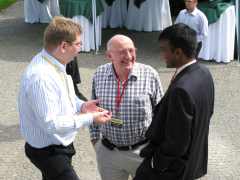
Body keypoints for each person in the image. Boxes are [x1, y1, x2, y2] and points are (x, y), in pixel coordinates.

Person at [18, 16, 112, 180]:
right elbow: (51, 124)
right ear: (63, 46)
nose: (80, 48)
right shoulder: (42, 77)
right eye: (77, 44)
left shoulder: (54, 61)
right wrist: (90, 118)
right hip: (48, 151)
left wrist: (81, 106)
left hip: (58, 145)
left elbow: (63, 97)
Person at [134, 23, 215, 180]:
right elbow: (207, 114)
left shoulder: (181, 90)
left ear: (178, 52)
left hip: (172, 170)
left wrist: (155, 164)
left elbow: (177, 142)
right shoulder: (204, 72)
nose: (162, 55)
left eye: (164, 50)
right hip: (193, 163)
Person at [90, 34, 164, 180]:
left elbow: (161, 114)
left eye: (131, 50)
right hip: (108, 152)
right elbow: (93, 109)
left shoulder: (150, 74)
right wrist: (96, 142)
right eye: (122, 52)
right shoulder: (99, 74)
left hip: (142, 152)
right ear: (109, 55)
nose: (129, 56)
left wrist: (157, 148)